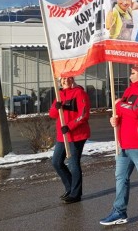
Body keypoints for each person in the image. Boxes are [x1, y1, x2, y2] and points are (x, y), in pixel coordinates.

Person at [99, 65, 138, 226]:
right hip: (124, 143)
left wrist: (119, 105)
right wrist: (115, 120)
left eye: (133, 72)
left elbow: (136, 111)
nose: (130, 75)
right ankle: (119, 211)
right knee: (121, 178)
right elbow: (125, 112)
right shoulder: (129, 90)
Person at [49, 76, 91, 204]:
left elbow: (83, 114)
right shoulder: (59, 94)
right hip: (63, 136)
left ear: (73, 79)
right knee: (56, 162)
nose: (65, 81)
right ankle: (70, 188)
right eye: (63, 79)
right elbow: (52, 114)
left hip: (77, 135)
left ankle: (75, 194)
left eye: (68, 78)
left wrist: (70, 126)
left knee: (73, 164)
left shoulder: (79, 93)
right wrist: (56, 107)